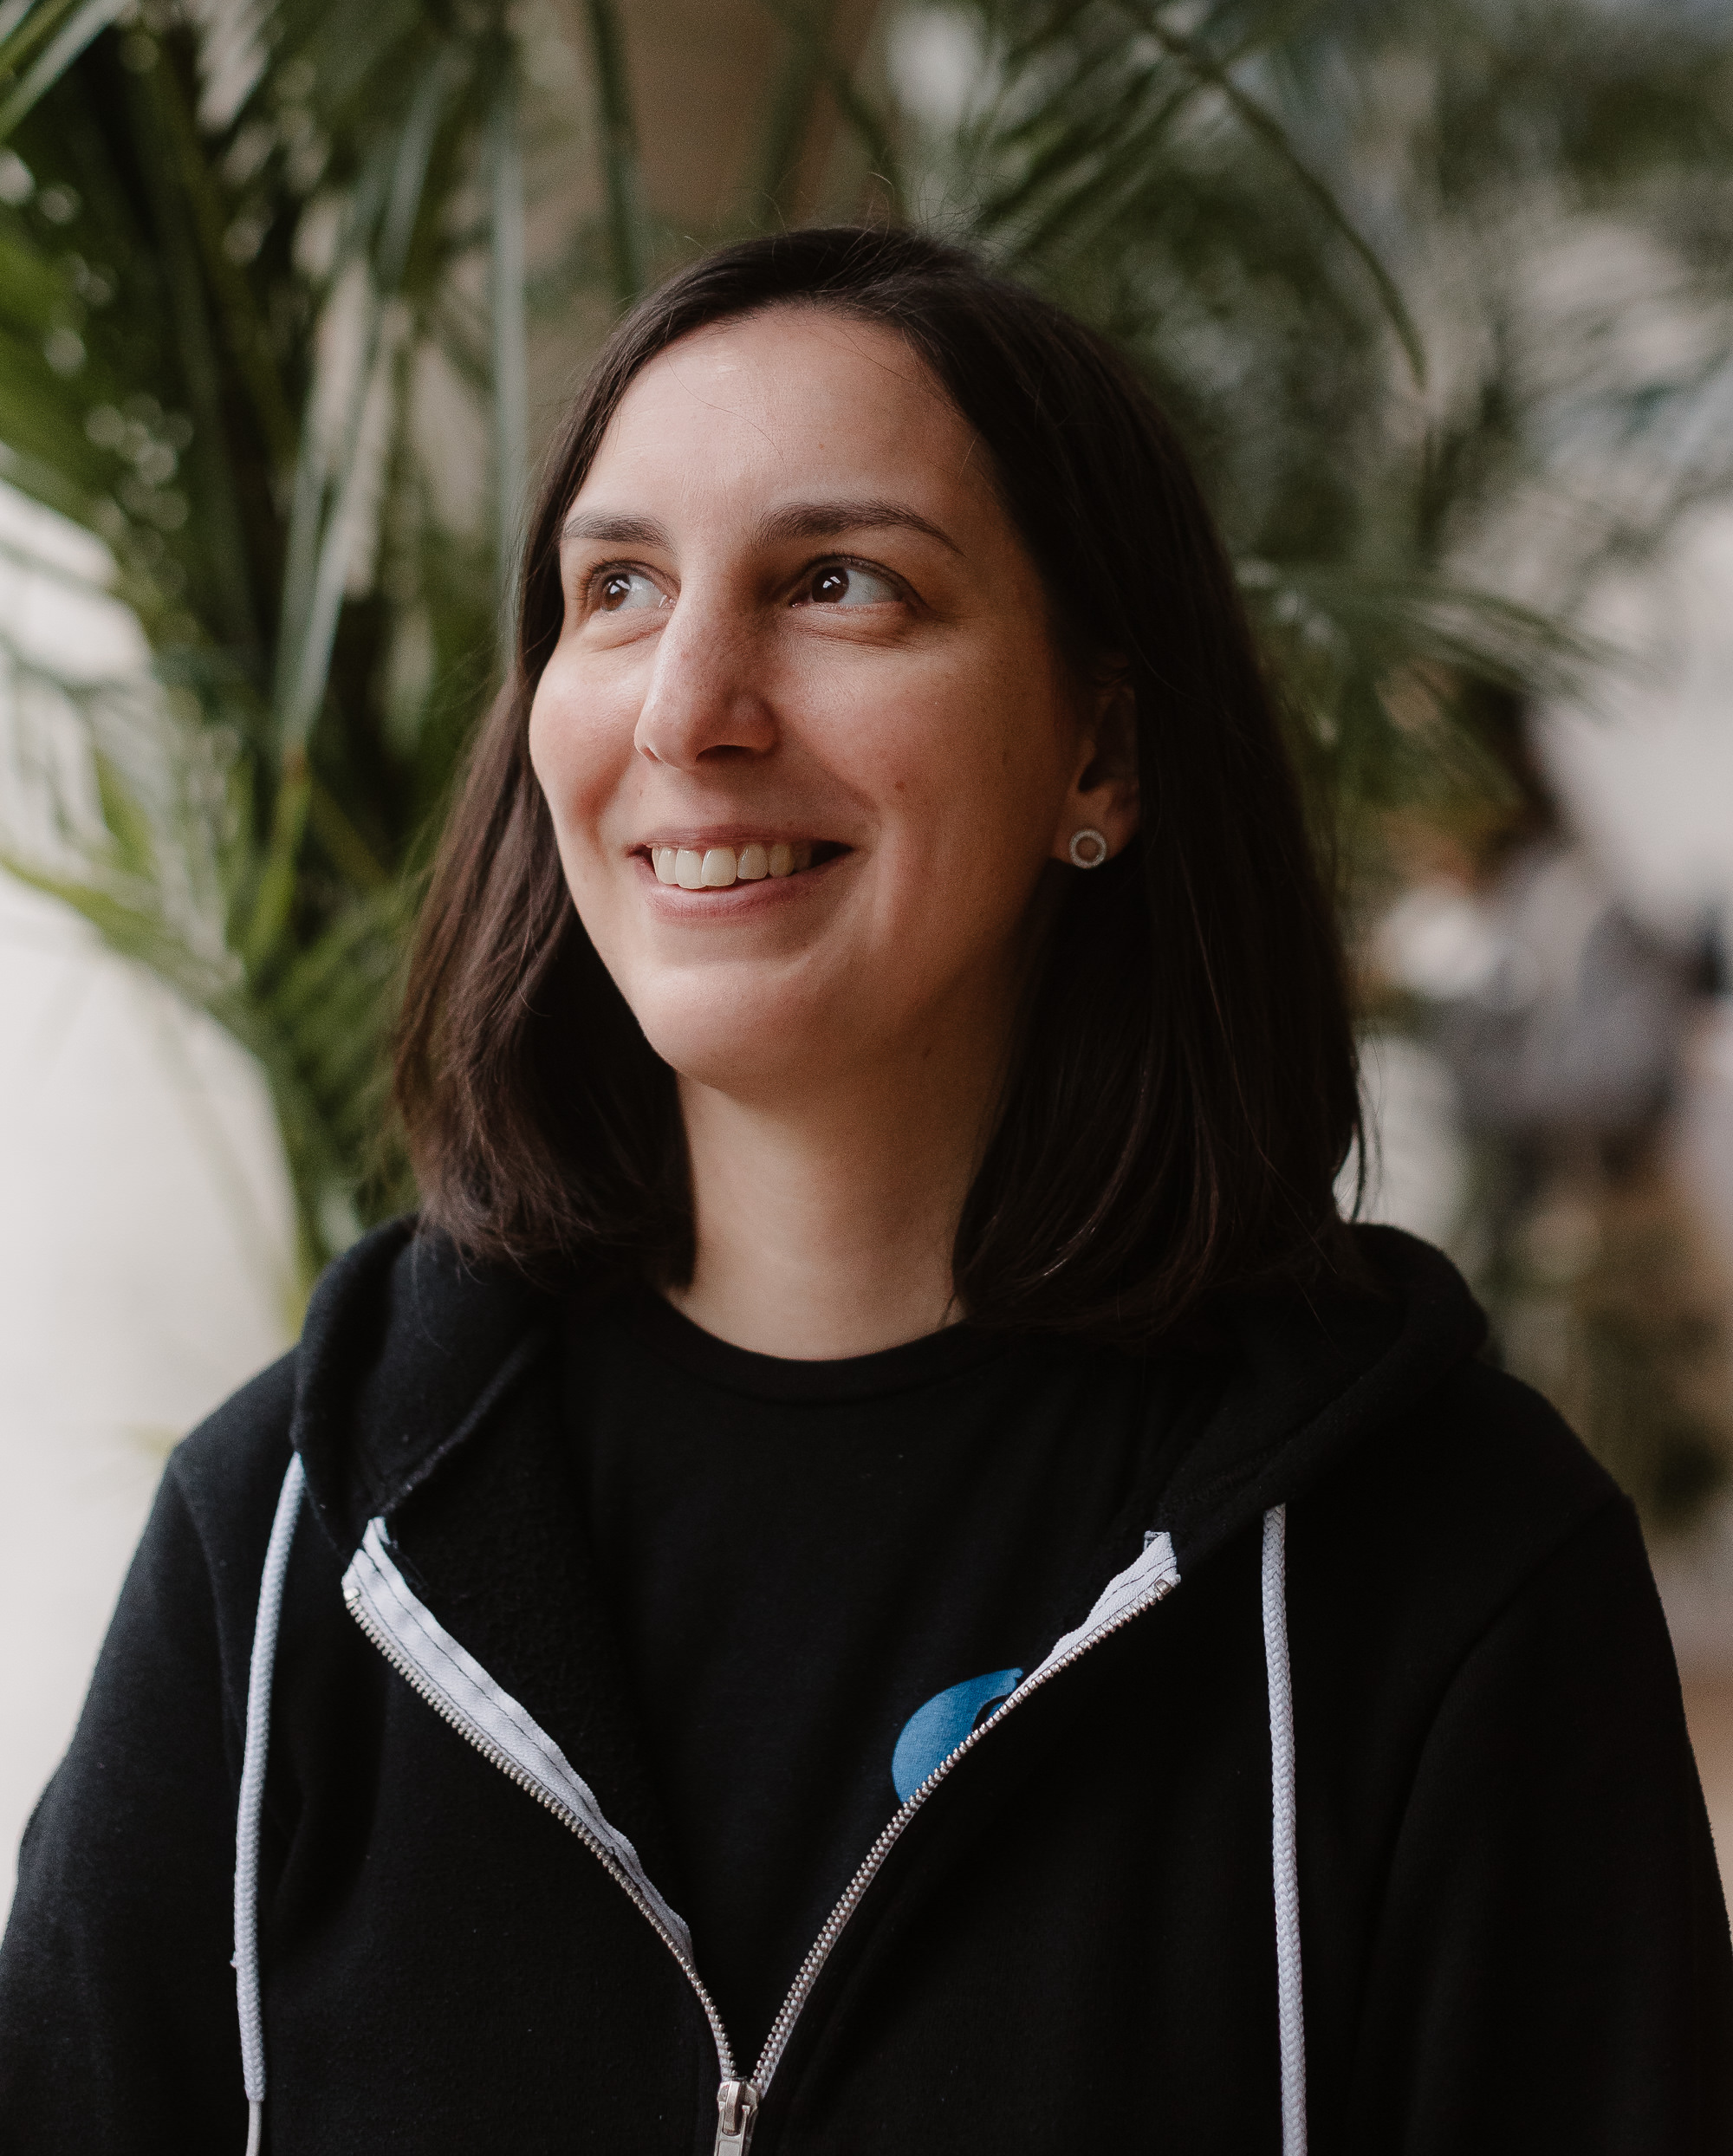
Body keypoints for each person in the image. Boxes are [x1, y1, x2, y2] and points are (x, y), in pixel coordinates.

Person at [1, 225, 1728, 2154]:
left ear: (1100, 749)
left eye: (839, 583)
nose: (688, 708)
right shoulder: (285, 1534)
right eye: (618, 587)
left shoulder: (1447, 1567)